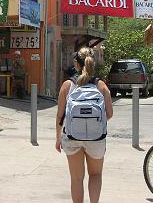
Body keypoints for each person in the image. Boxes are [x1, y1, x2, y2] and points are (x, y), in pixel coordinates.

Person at [55, 47, 113, 203]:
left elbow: (60, 115)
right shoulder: (101, 86)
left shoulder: (67, 85)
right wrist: (94, 123)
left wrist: (58, 137)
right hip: (96, 137)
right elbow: (109, 113)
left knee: (76, 178)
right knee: (95, 175)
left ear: (76, 64)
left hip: (72, 136)